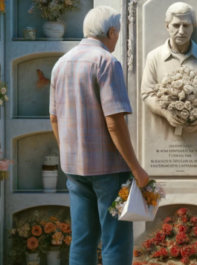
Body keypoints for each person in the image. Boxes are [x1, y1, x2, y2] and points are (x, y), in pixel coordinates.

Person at [49, 6, 149, 265]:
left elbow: (54, 117)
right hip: (109, 170)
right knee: (115, 240)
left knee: (82, 240)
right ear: (112, 32)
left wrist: (68, 155)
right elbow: (114, 122)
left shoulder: (61, 64)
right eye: (117, 35)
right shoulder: (106, 62)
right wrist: (137, 169)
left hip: (74, 170)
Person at [141, 2, 197, 136]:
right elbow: (147, 93)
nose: (181, 31)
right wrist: (165, 113)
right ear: (167, 26)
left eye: (186, 25)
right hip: (163, 135)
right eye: (176, 25)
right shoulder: (153, 57)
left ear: (193, 26)